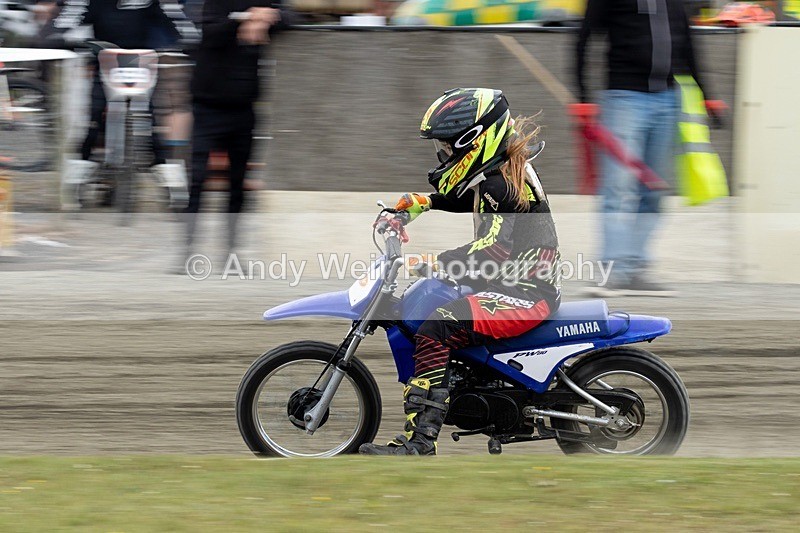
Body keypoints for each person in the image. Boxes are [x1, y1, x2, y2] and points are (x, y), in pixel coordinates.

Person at [359, 88, 561, 456]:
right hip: (512, 284)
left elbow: (493, 251)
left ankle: (420, 443)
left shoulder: (502, 183)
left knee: (437, 327)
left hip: (525, 293)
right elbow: (470, 196)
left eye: (448, 148)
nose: (444, 155)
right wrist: (422, 203)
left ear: (474, 141)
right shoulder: (498, 173)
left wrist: (427, 263)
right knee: (438, 304)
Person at [576, 0, 713, 296]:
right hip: (624, 97)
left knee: (653, 191)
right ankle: (612, 271)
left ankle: (635, 269)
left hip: (668, 98)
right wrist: (582, 95)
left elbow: (687, 42)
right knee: (618, 189)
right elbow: (583, 37)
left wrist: (706, 94)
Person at [51, 0, 198, 186]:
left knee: (149, 115)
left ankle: (162, 162)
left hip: (142, 62)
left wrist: (188, 38)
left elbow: (175, 18)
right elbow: (68, 19)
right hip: (104, 61)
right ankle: (82, 162)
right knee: (94, 114)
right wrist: (60, 35)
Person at [182, 1, 282, 264]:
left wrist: (269, 17)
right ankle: (186, 253)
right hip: (207, 105)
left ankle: (231, 254)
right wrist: (246, 18)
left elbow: (290, 17)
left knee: (238, 186)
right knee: (198, 182)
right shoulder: (212, 3)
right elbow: (211, 34)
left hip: (243, 108)